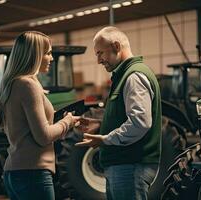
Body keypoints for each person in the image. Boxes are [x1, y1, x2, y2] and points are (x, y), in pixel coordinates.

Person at [76, 26, 162, 200]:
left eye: (100, 53)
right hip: (125, 166)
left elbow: (139, 123)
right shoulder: (125, 76)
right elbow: (128, 117)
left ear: (116, 46)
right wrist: (100, 126)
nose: (98, 60)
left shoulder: (133, 77)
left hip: (130, 166)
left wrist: (106, 139)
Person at [0, 31, 79, 200]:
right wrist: (67, 122)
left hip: (16, 171)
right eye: (47, 53)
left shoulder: (14, 84)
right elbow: (43, 136)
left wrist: (64, 120)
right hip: (32, 173)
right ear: (34, 55)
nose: (51, 58)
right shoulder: (27, 85)